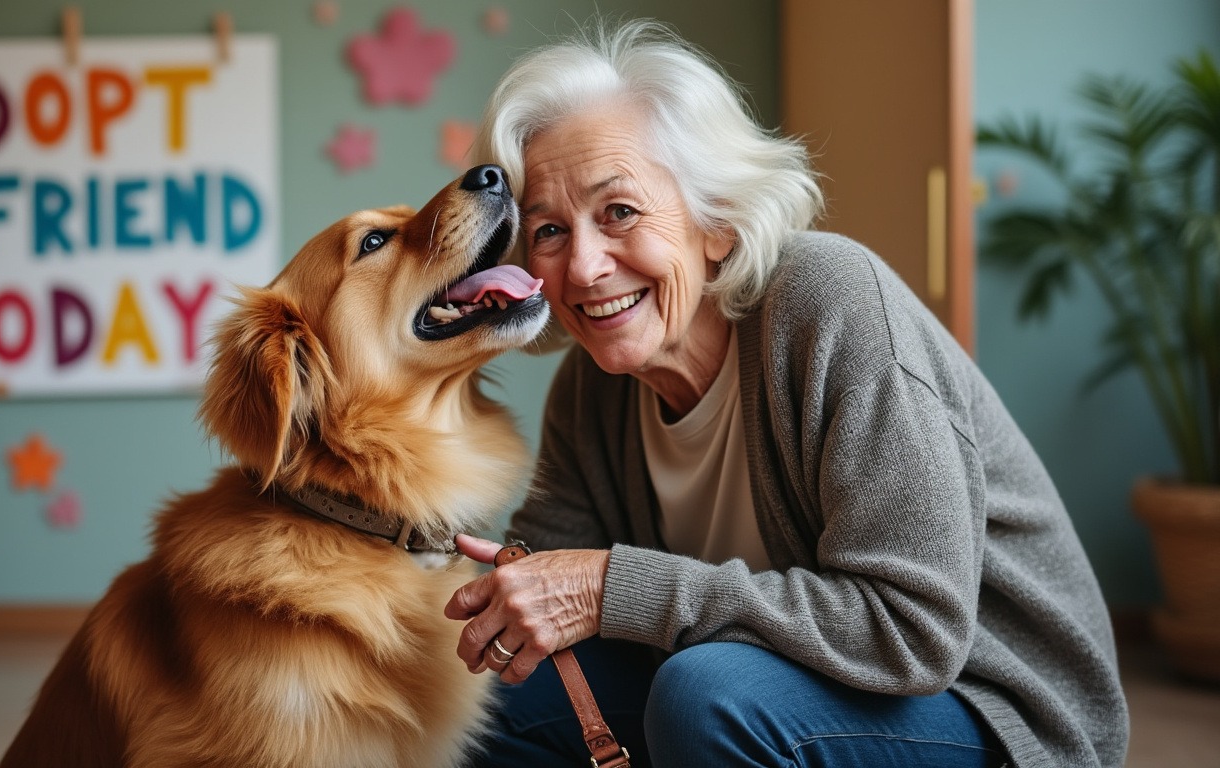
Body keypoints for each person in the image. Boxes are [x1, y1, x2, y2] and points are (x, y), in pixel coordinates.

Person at [444, 19, 1128, 768]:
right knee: (481, 688)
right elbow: (545, 580)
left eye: (620, 212)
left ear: (716, 221)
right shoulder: (593, 387)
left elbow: (913, 632)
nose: (583, 266)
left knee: (707, 695)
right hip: (791, 683)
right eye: (548, 230)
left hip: (988, 705)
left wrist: (616, 584)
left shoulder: (828, 301)